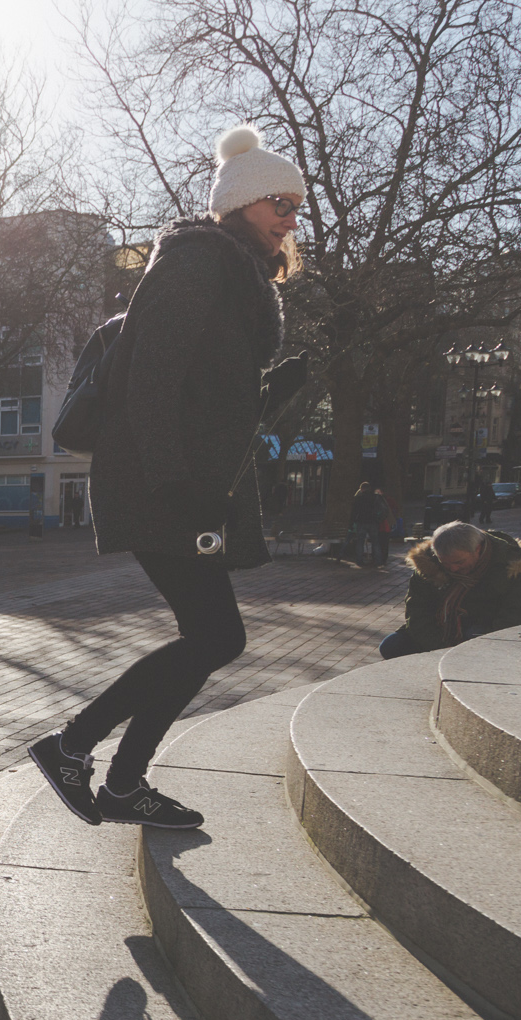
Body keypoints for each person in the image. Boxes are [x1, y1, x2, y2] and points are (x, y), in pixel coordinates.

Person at [26, 124, 312, 831]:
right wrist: (174, 481)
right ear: (239, 201)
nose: (289, 216)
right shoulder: (198, 261)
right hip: (161, 483)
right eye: (278, 200)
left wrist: (268, 393)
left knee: (211, 634)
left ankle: (119, 781)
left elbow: (203, 391)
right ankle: (75, 749)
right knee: (217, 635)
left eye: (297, 206)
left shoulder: (235, 275)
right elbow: (151, 377)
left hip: (178, 479)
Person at [379, 522, 521, 659]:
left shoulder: (511, 566)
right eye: (446, 563)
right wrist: (439, 647)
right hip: (440, 630)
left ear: (478, 549)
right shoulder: (428, 565)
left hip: (485, 629)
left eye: (459, 562)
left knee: (473, 636)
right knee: (391, 646)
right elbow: (417, 612)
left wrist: (480, 642)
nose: (453, 568)